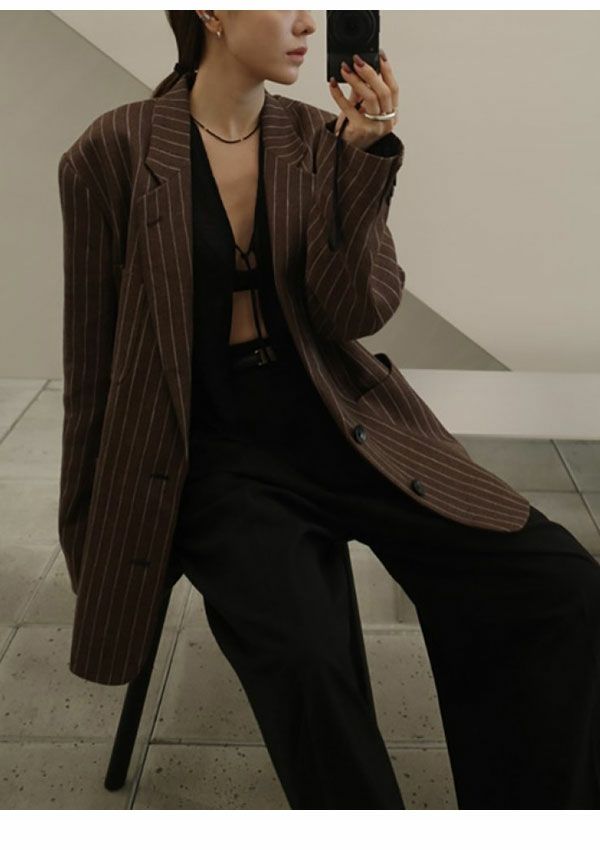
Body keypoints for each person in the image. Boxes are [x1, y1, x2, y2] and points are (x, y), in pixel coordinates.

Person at [58, 11, 600, 810]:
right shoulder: (111, 151)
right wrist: (89, 526)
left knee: (559, 585)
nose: (309, 20)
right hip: (214, 453)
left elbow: (356, 311)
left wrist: (363, 162)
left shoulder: (319, 138)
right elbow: (90, 356)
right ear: (211, 12)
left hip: (342, 419)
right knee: (307, 660)